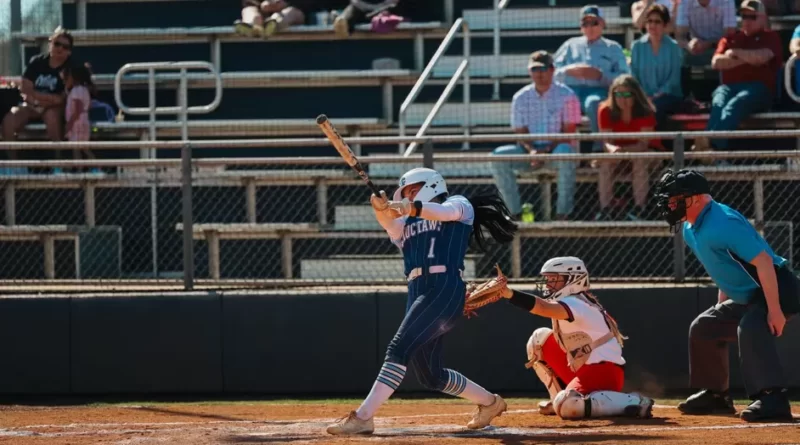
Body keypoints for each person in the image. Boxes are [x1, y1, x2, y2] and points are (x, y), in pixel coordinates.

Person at [326, 167, 519, 435]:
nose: (410, 196)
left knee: (398, 349)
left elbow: (443, 213)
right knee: (431, 376)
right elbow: (389, 223)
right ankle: (490, 403)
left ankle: (363, 417)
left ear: (432, 185)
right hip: (418, 289)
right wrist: (380, 208)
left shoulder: (457, 204)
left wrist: (408, 206)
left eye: (414, 190)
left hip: (444, 286)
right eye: (406, 192)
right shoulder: (404, 223)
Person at [653, 169, 800, 422]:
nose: (670, 204)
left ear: (696, 198)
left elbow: (764, 263)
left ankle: (773, 398)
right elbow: (725, 264)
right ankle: (716, 396)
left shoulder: (723, 222)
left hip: (779, 288)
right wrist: (722, 301)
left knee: (751, 326)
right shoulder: (691, 228)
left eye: (676, 198)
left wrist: (775, 310)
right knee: (704, 327)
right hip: (750, 294)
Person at [464, 257, 654, 420]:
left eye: (555, 280)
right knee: (539, 339)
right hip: (582, 368)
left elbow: (544, 308)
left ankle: (634, 401)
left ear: (573, 280)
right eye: (549, 279)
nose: (549, 284)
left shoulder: (577, 302)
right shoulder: (574, 300)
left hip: (603, 373)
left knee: (568, 407)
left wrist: (509, 294)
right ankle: (558, 398)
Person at [490, 51, 581, 221]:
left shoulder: (568, 95)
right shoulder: (520, 97)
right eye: (534, 69)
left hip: (557, 151)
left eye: (543, 68)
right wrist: (532, 150)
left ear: (552, 70)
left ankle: (564, 214)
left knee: (566, 152)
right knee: (497, 157)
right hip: (529, 152)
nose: (539, 73)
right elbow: (520, 131)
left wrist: (545, 150)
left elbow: (568, 131)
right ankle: (513, 213)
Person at [693, 0, 782, 154]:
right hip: (728, 88)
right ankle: (712, 150)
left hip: (760, 90)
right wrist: (749, 59)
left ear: (763, 19)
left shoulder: (771, 37)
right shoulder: (730, 38)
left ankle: (709, 144)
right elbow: (716, 62)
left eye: (752, 17)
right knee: (719, 101)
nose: (746, 21)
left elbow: (763, 57)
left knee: (735, 104)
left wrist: (735, 54)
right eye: (743, 16)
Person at [553, 5, 629, 152]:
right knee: (562, 103)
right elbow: (553, 72)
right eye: (585, 23)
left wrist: (601, 76)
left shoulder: (613, 48)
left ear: (603, 24)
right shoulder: (570, 45)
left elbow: (624, 78)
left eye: (594, 23)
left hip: (598, 90)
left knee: (594, 103)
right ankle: (561, 149)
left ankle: (600, 147)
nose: (590, 27)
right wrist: (569, 70)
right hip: (571, 91)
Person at [2, 26, 72, 171]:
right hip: (31, 104)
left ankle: (58, 165)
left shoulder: (70, 67)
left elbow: (62, 99)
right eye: (57, 44)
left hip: (53, 108)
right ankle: (14, 166)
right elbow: (25, 89)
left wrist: (39, 97)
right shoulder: (37, 62)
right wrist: (38, 100)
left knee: (52, 117)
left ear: (69, 51)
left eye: (65, 46)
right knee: (9, 119)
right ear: (50, 42)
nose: (60, 49)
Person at [595, 75, 661, 221]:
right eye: (618, 94)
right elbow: (607, 142)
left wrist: (623, 152)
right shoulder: (605, 110)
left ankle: (640, 209)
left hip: (647, 154)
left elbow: (643, 144)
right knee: (605, 164)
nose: (622, 99)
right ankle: (606, 210)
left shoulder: (645, 110)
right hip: (619, 153)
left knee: (639, 161)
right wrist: (614, 151)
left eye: (626, 94)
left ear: (635, 95)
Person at [630, 3, 684, 125]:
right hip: (642, 96)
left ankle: (655, 143)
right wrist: (643, 96)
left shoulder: (673, 47)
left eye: (657, 22)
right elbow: (633, 76)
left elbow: (673, 80)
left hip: (669, 96)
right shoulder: (636, 47)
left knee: (654, 108)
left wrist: (656, 96)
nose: (652, 25)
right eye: (649, 21)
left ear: (665, 25)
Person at [675, 0, 737, 67]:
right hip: (695, 52)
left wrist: (708, 44)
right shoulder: (685, 2)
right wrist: (688, 45)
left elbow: (730, 37)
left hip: (721, 50)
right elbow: (680, 36)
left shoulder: (727, 1)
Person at [62, 62, 99, 174]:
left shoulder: (77, 90)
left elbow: (78, 109)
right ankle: (84, 169)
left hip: (77, 123)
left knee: (80, 148)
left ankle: (91, 168)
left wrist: (69, 124)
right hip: (82, 122)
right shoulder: (83, 90)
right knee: (80, 148)